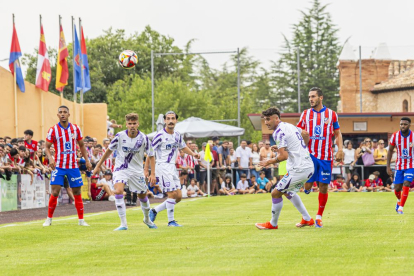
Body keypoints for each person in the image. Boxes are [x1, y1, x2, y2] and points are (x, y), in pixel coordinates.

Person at [93, 113, 157, 230]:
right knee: (118, 191)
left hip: (137, 171)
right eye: (129, 124)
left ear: (138, 124)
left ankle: (147, 219)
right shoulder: (119, 136)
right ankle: (123, 224)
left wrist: (152, 174)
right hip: (121, 168)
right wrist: (98, 165)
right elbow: (108, 151)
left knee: (142, 196)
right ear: (126, 124)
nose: (132, 126)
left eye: (134, 123)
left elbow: (151, 156)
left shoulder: (144, 138)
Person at [255, 107, 315, 230]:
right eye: (265, 120)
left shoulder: (278, 132)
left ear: (276, 118)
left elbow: (283, 156)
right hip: (307, 166)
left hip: (299, 169)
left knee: (275, 193)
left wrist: (269, 161)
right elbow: (305, 134)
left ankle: (273, 224)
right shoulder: (289, 125)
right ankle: (307, 219)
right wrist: (299, 148)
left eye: (268, 119)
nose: (266, 122)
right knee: (288, 192)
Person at [297, 87, 344, 228]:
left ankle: (318, 217)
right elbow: (297, 131)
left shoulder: (331, 114)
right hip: (309, 155)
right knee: (308, 186)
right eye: (309, 97)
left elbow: (337, 133)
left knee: (323, 187)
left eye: (313, 96)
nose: (311, 99)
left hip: (325, 156)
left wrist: (340, 149)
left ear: (320, 97)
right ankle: (308, 187)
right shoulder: (305, 114)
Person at [43, 105, 92, 227]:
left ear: (69, 115)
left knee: (77, 191)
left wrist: (87, 160)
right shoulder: (53, 130)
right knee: (55, 191)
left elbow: (81, 145)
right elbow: (46, 147)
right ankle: (49, 219)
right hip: (58, 165)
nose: (63, 114)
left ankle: (81, 220)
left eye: (65, 112)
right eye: (60, 112)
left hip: (73, 166)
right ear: (58, 115)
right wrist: (50, 158)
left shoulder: (75, 129)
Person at [149, 111, 200, 227]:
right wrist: (150, 172)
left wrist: (193, 154)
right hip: (162, 166)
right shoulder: (159, 135)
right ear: (165, 121)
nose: (171, 121)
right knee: (171, 194)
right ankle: (171, 221)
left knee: (178, 196)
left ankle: (154, 210)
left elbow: (183, 147)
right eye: (168, 118)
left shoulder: (177, 135)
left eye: (173, 118)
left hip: (172, 167)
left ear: (176, 120)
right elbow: (150, 152)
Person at [387, 117, 414, 214]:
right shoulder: (395, 136)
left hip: (411, 165)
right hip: (399, 166)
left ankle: (401, 208)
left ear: (409, 125)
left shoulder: (413, 136)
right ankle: (398, 201)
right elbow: (390, 150)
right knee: (397, 188)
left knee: (406, 183)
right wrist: (388, 166)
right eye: (401, 124)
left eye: (405, 124)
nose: (403, 126)